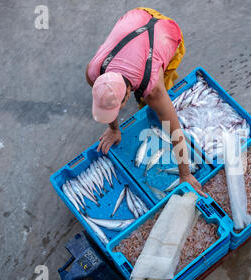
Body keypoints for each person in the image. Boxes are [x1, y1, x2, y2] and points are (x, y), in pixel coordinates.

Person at [85, 7, 206, 196]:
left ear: (127, 93)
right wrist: (114, 129)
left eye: (117, 106)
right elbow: (107, 103)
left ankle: (163, 75)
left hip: (165, 31)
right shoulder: (93, 72)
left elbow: (175, 131)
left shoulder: (153, 91)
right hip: (137, 15)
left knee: (159, 97)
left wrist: (185, 175)